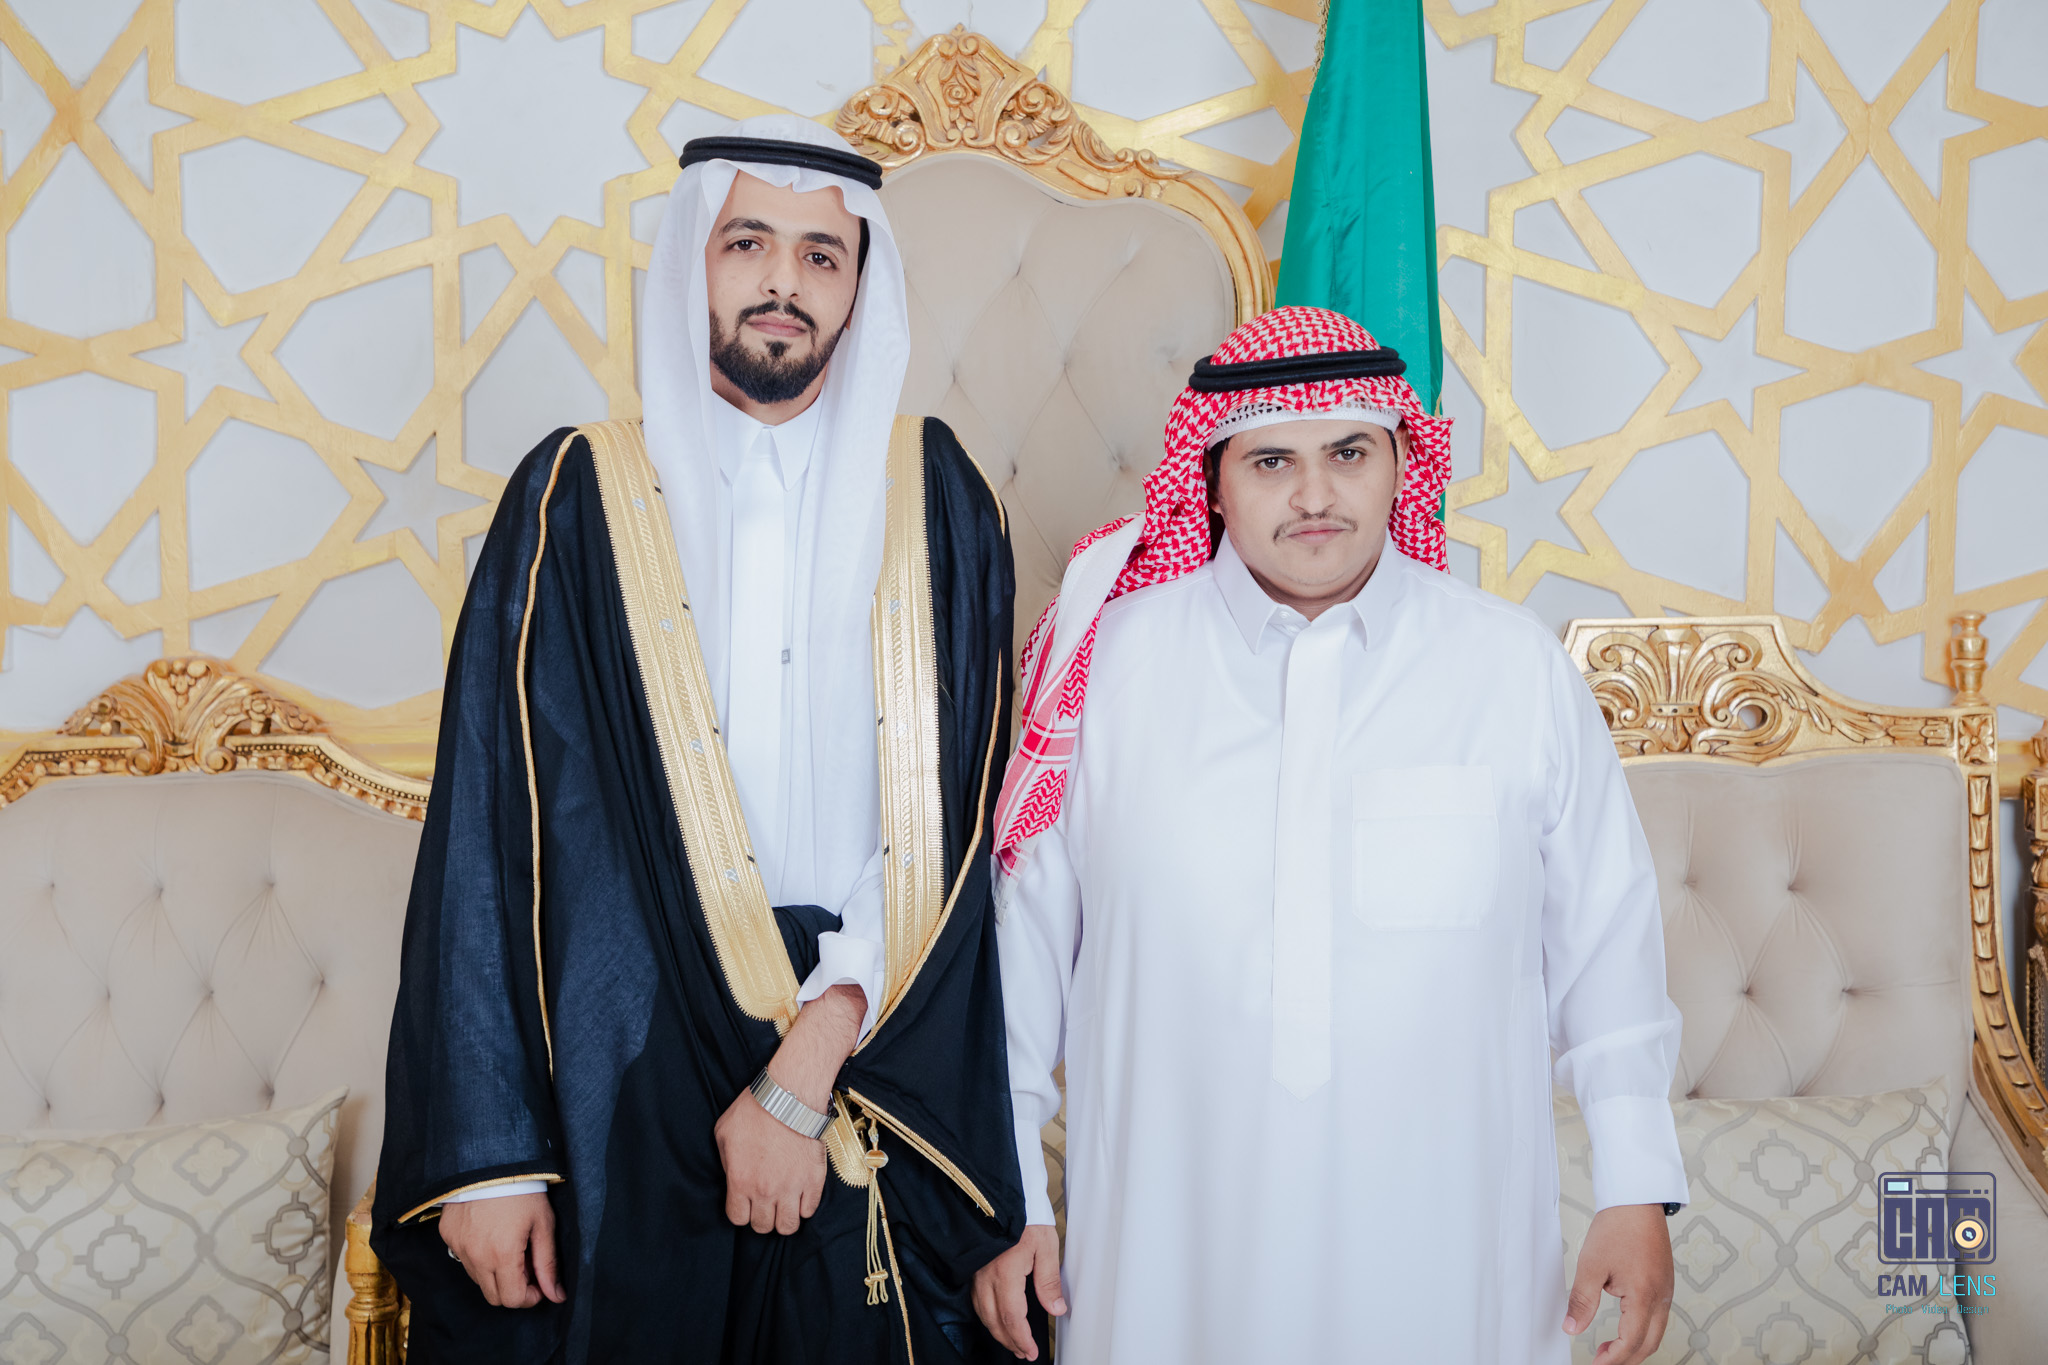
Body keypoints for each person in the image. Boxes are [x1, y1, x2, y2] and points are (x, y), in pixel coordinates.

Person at [372, 115, 1034, 1364]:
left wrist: (809, 1059)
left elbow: (963, 829)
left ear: (858, 288)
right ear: (694, 263)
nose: (784, 281)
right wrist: (488, 1157)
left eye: (821, 256)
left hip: (873, 1056)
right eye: (747, 244)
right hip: (619, 1065)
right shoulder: (573, 498)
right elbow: (484, 832)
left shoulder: (938, 500)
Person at [974, 306, 1687, 1365]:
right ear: (1213, 481)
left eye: (1348, 453)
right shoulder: (1105, 668)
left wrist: (1634, 1185)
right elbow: (1018, 965)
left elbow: (1607, 942)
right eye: (1271, 461)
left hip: (1448, 1252)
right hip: (1169, 1253)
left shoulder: (1510, 668)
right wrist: (1009, 1199)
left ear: (1401, 465)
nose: (1314, 494)